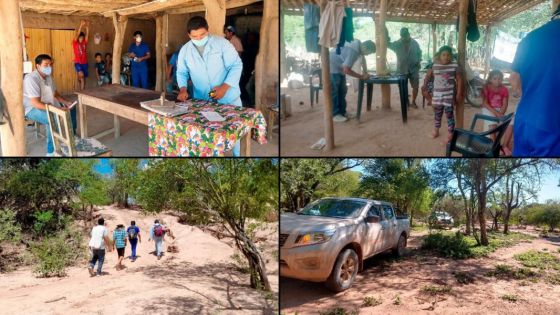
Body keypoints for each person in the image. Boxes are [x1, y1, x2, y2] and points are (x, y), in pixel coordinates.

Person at [176, 16, 243, 155]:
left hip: (229, 97)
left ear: (208, 30)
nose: (199, 39)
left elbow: (236, 65)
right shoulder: (185, 51)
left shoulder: (222, 44)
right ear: (189, 35)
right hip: (204, 100)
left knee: (234, 133)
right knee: (209, 135)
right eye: (195, 36)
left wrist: (224, 87)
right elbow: (182, 72)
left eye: (202, 34)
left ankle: (237, 158)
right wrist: (182, 88)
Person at [510, 5, 560, 156]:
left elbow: (514, 79)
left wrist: (533, 97)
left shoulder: (530, 38)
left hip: (524, 120)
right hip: (553, 126)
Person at [23, 54, 77, 156]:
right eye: (46, 64)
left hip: (48, 103)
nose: (49, 67)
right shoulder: (31, 79)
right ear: (38, 66)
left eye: (50, 64)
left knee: (72, 108)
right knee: (53, 117)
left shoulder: (49, 77)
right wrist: (57, 109)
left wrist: (66, 103)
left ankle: (73, 136)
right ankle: (51, 151)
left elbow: (55, 94)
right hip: (31, 108)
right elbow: (35, 103)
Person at [423, 46, 463, 143]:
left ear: (451, 56)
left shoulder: (454, 66)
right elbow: (428, 76)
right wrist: (425, 87)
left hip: (449, 96)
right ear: (439, 56)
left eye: (448, 55)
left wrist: (458, 94)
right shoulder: (434, 65)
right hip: (437, 96)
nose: (446, 57)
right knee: (437, 114)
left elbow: (459, 79)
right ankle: (436, 130)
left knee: (449, 115)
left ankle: (450, 133)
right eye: (443, 55)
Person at [329, 39, 376, 122]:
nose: (368, 55)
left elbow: (363, 58)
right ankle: (335, 114)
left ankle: (342, 112)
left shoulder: (358, 45)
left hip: (338, 66)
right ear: (365, 47)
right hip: (332, 66)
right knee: (335, 91)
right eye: (369, 52)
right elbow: (346, 70)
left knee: (342, 90)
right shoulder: (354, 51)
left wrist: (365, 72)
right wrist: (361, 76)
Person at [387, 27, 422, 108]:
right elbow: (388, 45)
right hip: (402, 69)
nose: (404, 37)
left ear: (409, 34)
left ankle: (413, 102)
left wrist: (419, 61)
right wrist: (386, 38)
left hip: (414, 68)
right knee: (403, 87)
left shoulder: (415, 43)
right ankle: (407, 102)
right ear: (400, 36)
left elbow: (420, 53)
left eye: (406, 35)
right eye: (403, 36)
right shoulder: (397, 43)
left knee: (415, 86)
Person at [481, 70, 509, 141]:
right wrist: (497, 113)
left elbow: (505, 103)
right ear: (490, 79)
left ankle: (493, 142)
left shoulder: (504, 90)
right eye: (495, 78)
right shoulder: (486, 88)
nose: (497, 81)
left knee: (504, 124)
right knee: (492, 124)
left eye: (499, 79)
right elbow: (485, 103)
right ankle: (494, 144)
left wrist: (501, 114)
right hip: (488, 108)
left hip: (499, 110)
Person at [73, 20, 89, 91]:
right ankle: (82, 93)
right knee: (82, 77)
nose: (81, 39)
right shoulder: (75, 43)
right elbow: (77, 34)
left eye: (82, 38)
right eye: (80, 37)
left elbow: (87, 35)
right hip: (78, 62)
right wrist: (81, 25)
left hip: (85, 63)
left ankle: (82, 90)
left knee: (83, 78)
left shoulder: (84, 43)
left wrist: (87, 27)